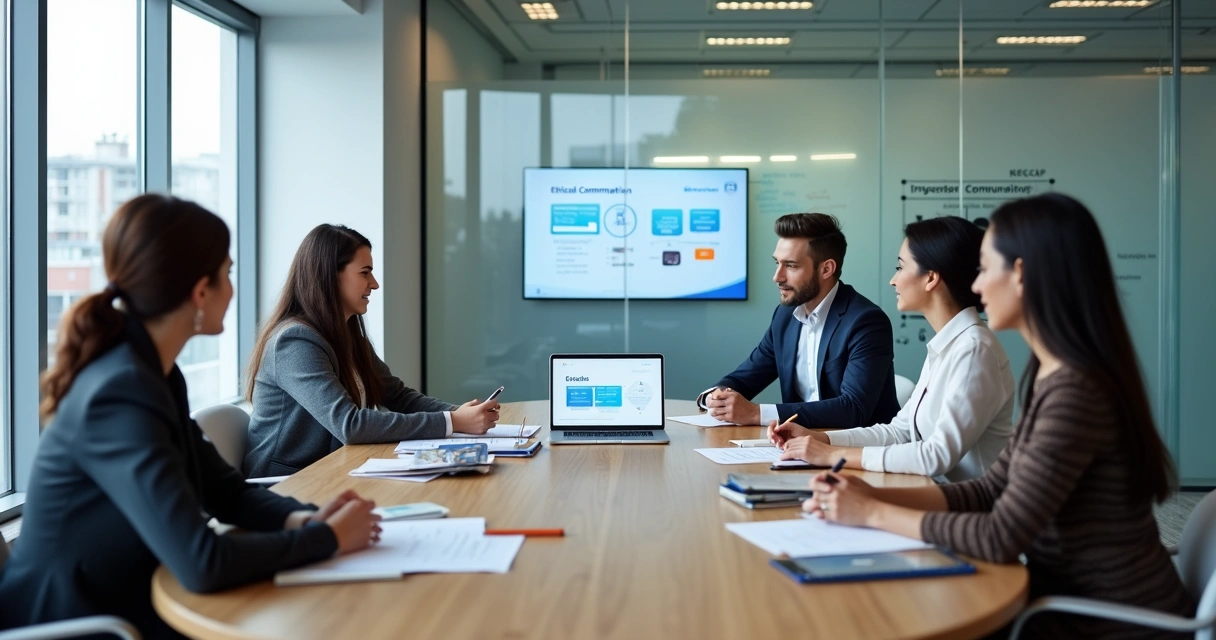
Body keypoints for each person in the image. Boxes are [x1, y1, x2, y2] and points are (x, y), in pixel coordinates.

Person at [804, 194, 1196, 637]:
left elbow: (1000, 537)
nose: (976, 286)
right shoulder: (1057, 376)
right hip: (1062, 601)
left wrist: (872, 514)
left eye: (986, 268)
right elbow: (992, 488)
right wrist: (871, 498)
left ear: (1022, 275)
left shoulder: (1075, 392)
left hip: (1103, 622)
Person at [0, 195, 381, 639]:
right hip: (81, 620)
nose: (233, 288)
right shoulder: (119, 391)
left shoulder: (155, 372)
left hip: (133, 596)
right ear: (201, 290)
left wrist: (305, 518)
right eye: (228, 274)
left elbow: (226, 492)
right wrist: (328, 540)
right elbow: (201, 563)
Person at [243, 224, 499, 478]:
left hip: (335, 470)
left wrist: (459, 414)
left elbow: (399, 397)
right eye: (365, 273)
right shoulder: (295, 341)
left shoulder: (347, 335)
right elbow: (350, 425)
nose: (374, 284)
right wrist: (453, 422)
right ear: (329, 275)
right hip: (287, 484)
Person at [771, 216, 1015, 482]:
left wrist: (831, 454)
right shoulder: (950, 345)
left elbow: (936, 455)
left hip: (969, 511)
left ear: (931, 277)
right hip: (932, 494)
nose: (893, 280)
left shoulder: (974, 350)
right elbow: (900, 432)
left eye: (900, 268)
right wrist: (820, 438)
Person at [698, 213, 899, 429]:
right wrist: (716, 396)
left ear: (826, 269)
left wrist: (757, 414)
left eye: (791, 266)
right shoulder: (785, 316)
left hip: (858, 451)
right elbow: (747, 377)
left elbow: (853, 409)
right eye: (777, 263)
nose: (778, 276)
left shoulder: (866, 322)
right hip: (799, 445)